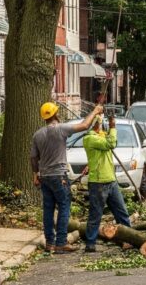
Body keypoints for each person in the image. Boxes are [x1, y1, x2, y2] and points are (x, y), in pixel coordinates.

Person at [30, 100, 102, 253]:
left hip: (45, 176)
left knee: (48, 209)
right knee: (64, 206)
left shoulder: (38, 134)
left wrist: (36, 174)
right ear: (55, 113)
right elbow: (84, 126)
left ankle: (50, 242)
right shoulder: (61, 129)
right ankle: (61, 242)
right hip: (59, 176)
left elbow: (33, 157)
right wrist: (95, 112)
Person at [81, 111, 131, 254]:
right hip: (98, 183)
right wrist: (113, 126)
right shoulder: (90, 139)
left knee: (122, 212)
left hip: (111, 180)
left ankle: (129, 238)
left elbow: (109, 142)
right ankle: (90, 243)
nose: (102, 125)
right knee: (95, 214)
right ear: (96, 125)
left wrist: (108, 129)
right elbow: (111, 143)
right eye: (100, 123)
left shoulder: (99, 136)